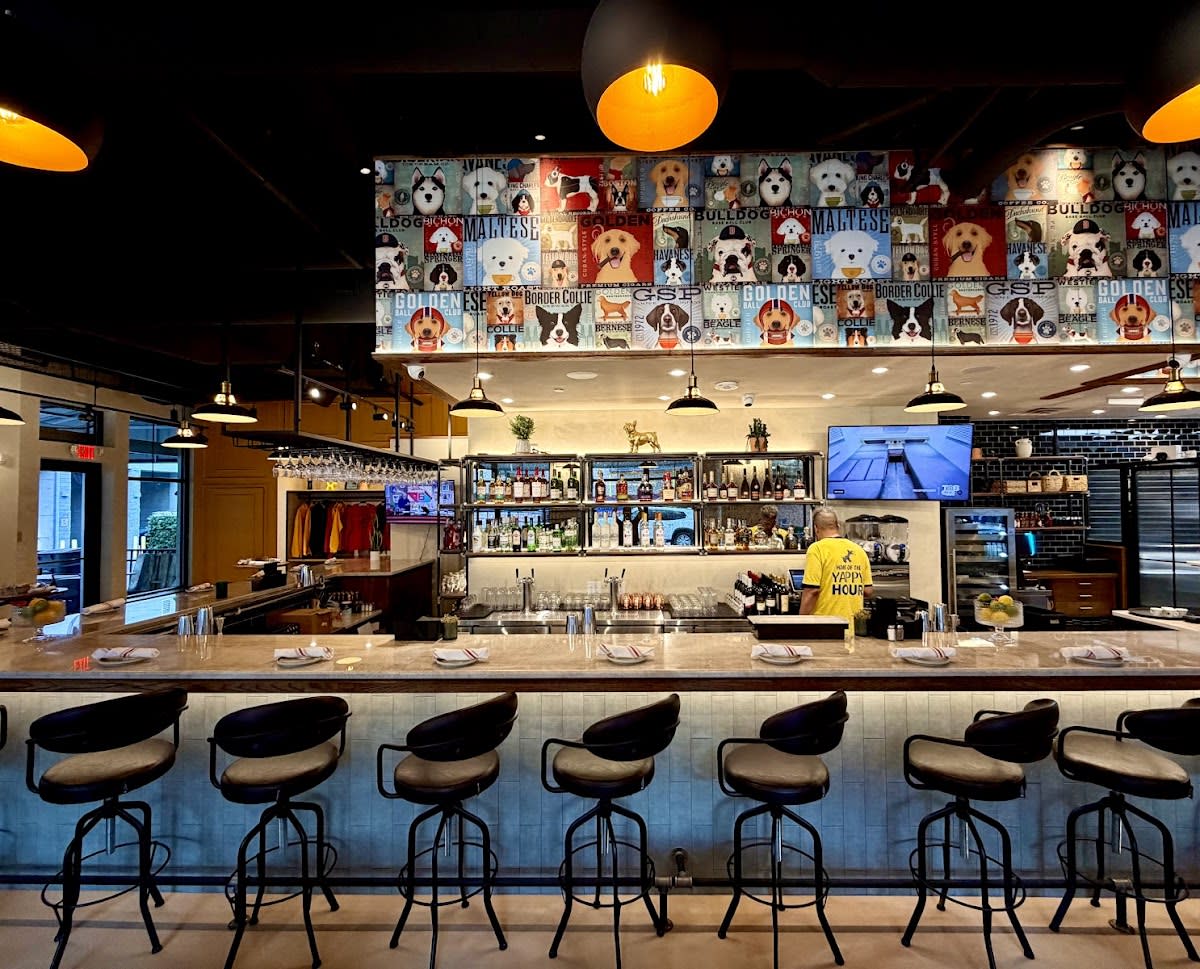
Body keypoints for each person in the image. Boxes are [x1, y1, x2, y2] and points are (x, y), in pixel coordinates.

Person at [799, 508, 874, 620]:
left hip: (826, 625)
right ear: (838, 526)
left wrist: (800, 620)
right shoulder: (858, 550)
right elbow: (868, 591)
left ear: (815, 528)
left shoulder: (817, 549)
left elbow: (812, 591)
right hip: (853, 625)